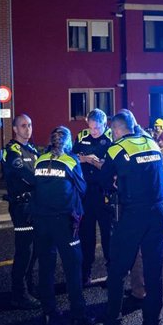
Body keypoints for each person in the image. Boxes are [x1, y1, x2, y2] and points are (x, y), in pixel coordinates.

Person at [91, 110, 163, 325]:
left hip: (133, 217)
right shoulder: (151, 143)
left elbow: (104, 180)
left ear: (116, 130)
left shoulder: (116, 149)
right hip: (157, 215)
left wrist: (114, 180)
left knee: (116, 273)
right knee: (154, 277)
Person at [32, 126, 95, 325]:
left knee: (46, 268)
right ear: (67, 143)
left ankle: (48, 311)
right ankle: (78, 314)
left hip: (41, 221)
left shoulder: (40, 160)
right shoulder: (70, 160)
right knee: (72, 268)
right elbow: (82, 188)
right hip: (64, 222)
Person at [2, 114, 40, 309]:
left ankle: (29, 287)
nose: (28, 129)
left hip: (34, 205)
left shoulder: (31, 150)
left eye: (30, 125)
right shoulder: (12, 151)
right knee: (24, 251)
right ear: (15, 129)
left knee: (33, 251)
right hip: (21, 207)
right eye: (23, 126)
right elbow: (30, 176)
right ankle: (19, 293)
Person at [72, 108, 113, 286]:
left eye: (97, 128)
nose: (93, 131)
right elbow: (72, 157)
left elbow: (112, 166)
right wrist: (82, 159)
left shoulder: (111, 140)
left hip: (104, 193)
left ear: (104, 124)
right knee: (86, 235)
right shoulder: (82, 137)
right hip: (86, 194)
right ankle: (85, 272)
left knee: (108, 236)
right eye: (91, 128)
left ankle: (112, 273)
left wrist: (96, 162)